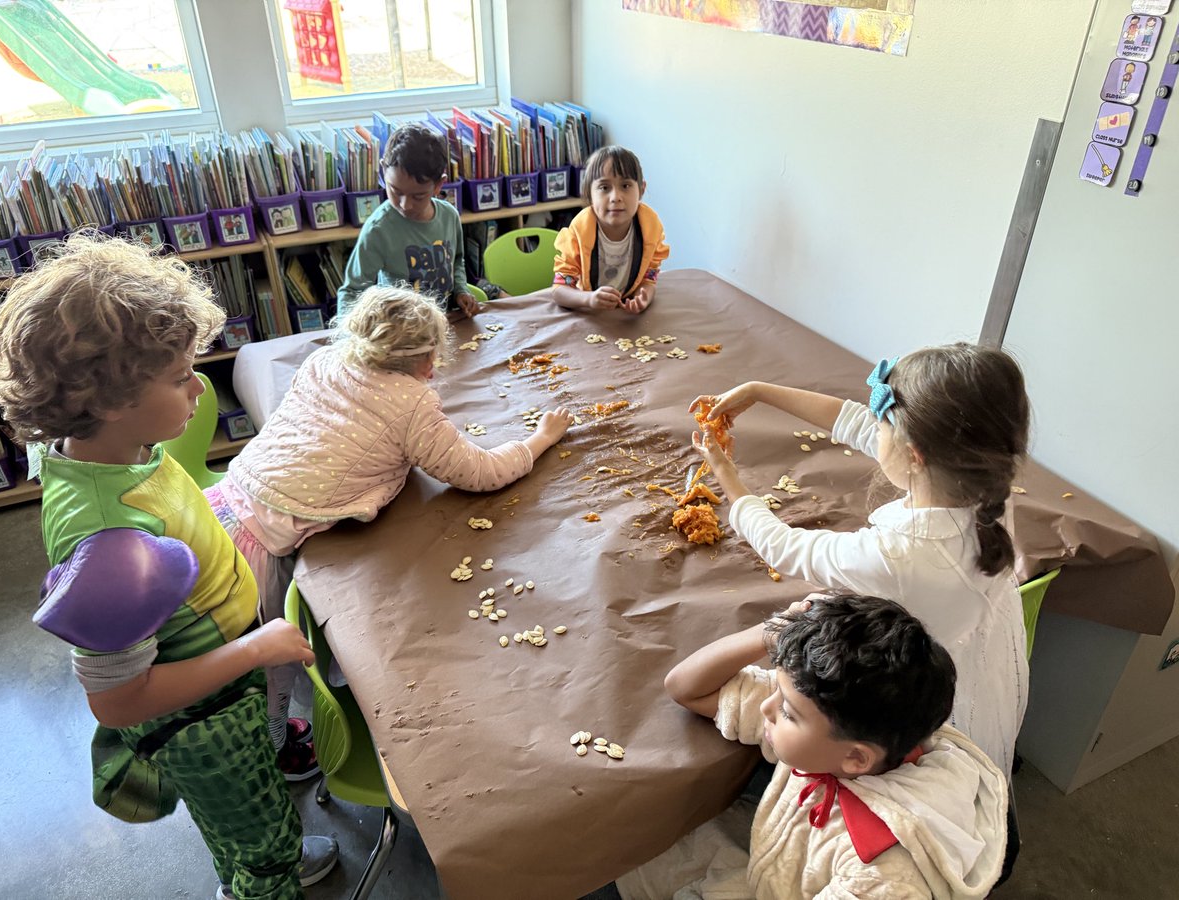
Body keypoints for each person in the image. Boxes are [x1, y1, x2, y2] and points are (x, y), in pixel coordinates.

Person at [0, 234, 337, 900]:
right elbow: (119, 701)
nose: (198, 387)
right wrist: (255, 649)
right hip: (205, 719)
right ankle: (262, 880)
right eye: (178, 378)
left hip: (224, 685)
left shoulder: (109, 448)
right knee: (262, 840)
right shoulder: (113, 545)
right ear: (110, 398)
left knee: (237, 818)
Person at [205, 284, 573, 758]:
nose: (435, 370)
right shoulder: (412, 404)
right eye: (431, 359)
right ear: (418, 361)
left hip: (222, 500)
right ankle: (277, 751)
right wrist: (540, 439)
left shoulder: (325, 360)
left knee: (238, 659)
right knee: (266, 669)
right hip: (256, 550)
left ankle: (267, 736)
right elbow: (482, 474)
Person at [689, 343, 1030, 779]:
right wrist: (760, 390)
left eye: (883, 424)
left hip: (904, 688)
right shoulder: (987, 485)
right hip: (967, 642)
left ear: (915, 455)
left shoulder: (895, 554)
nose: (873, 429)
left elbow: (782, 546)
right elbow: (857, 424)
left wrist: (727, 478)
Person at [617, 594, 1008, 899]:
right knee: (632, 853)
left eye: (787, 712)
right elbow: (685, 688)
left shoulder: (882, 877)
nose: (768, 708)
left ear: (856, 757)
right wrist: (771, 632)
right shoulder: (845, 725)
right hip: (774, 871)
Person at [336, 123, 478, 319]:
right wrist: (348, 339)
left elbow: (456, 261)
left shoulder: (449, 216)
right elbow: (352, 292)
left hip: (444, 322)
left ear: (439, 185)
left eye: (418, 196)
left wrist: (461, 290)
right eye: (395, 191)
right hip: (398, 329)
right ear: (383, 171)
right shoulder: (378, 229)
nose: (405, 205)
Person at [552, 145, 670, 314]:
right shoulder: (579, 231)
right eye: (604, 188)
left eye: (626, 186)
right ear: (589, 194)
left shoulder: (650, 227)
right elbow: (559, 290)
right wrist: (589, 299)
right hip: (589, 314)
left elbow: (649, 278)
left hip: (625, 317)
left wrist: (644, 297)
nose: (616, 197)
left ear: (641, 190)